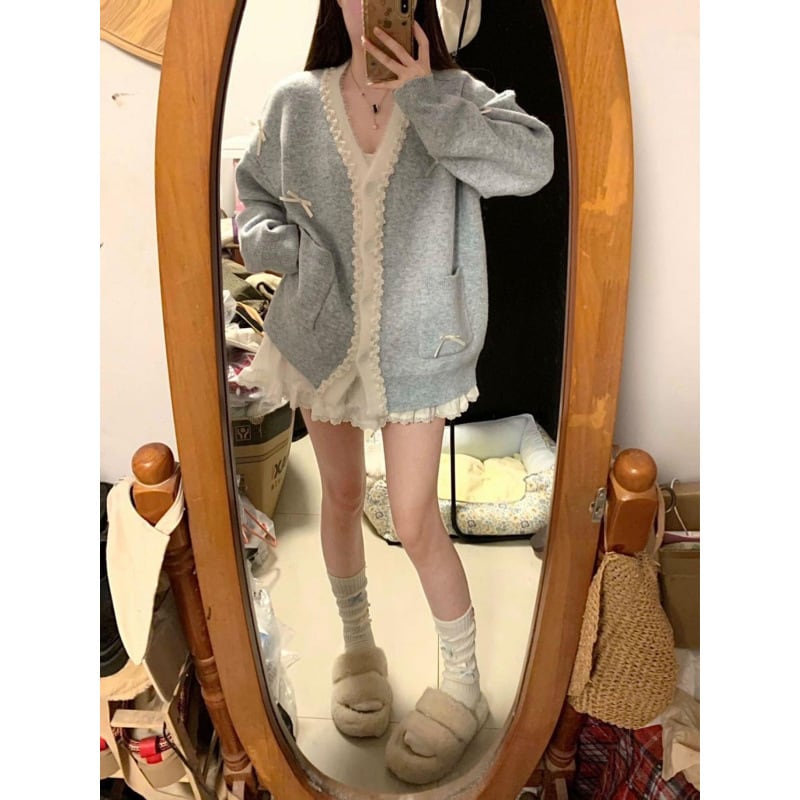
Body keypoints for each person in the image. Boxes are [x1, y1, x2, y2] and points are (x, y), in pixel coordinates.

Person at [235, 0, 554, 785]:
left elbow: (531, 167)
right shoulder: (295, 102)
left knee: (413, 520)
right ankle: (358, 651)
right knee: (342, 496)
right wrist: (294, 249)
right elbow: (252, 205)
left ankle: (464, 686)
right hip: (321, 341)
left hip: (421, 353)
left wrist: (428, 96)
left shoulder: (455, 92)